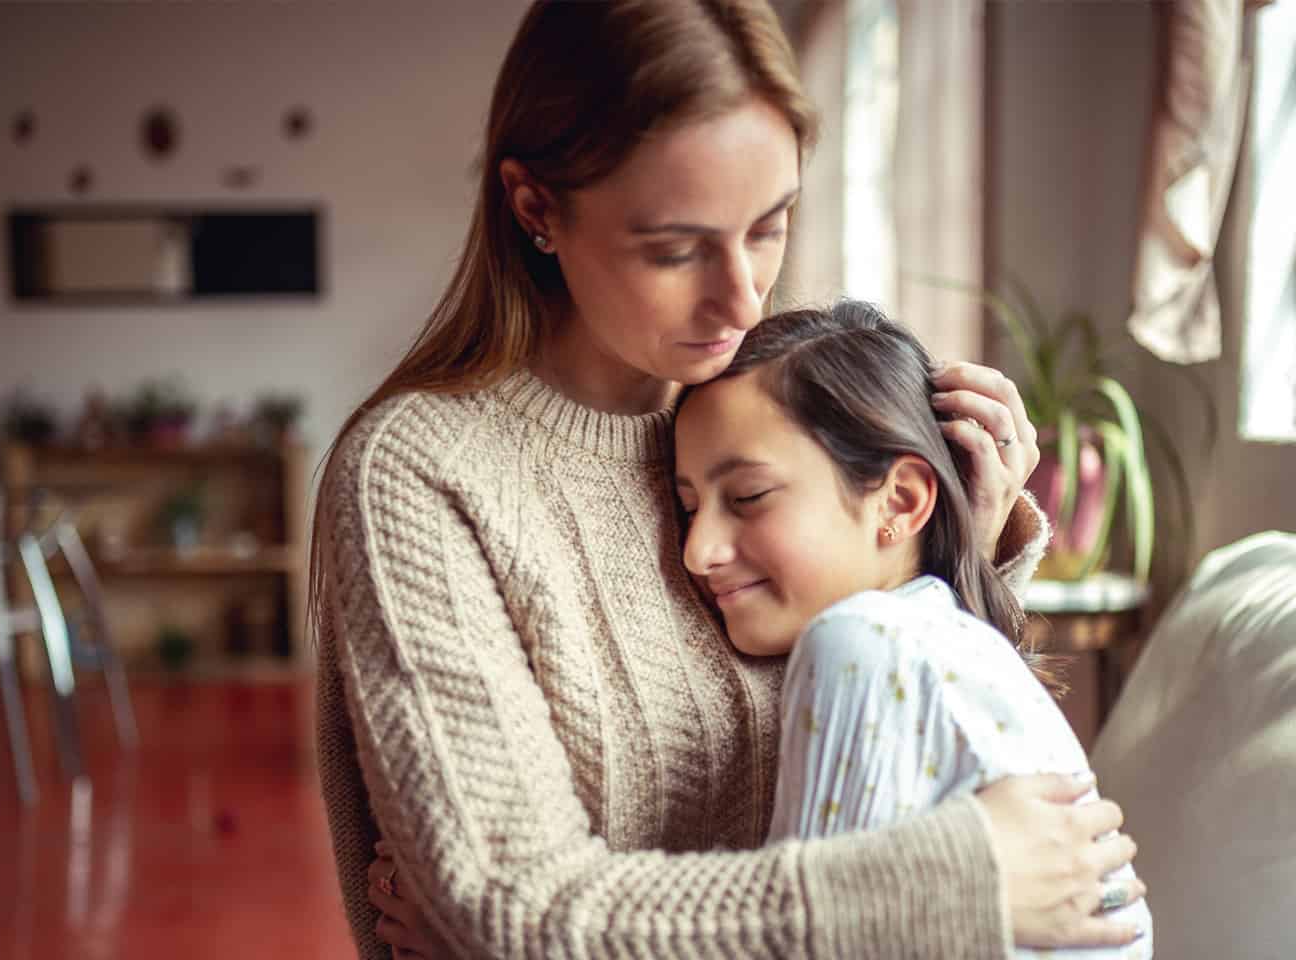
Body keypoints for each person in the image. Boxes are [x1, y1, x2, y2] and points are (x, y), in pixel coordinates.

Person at [314, 2, 1145, 957]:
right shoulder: (421, 474)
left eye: (769, 226)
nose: (743, 297)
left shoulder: (766, 407)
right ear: (536, 207)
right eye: (675, 248)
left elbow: (869, 756)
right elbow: (509, 911)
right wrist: (956, 880)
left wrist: (955, 556)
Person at [672, 300, 1152, 960]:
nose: (697, 552)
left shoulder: (858, 639)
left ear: (900, 500)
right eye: (688, 507)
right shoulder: (952, 638)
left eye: (748, 497)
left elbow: (814, 938)